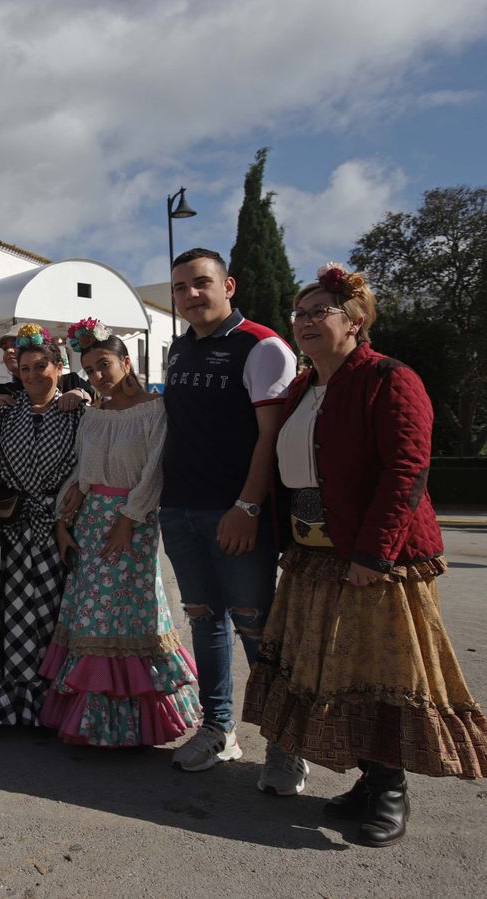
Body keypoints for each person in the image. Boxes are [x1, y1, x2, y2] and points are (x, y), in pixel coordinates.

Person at [243, 264, 487, 847]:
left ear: (356, 321)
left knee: (381, 673)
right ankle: (367, 781)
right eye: (300, 314)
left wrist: (374, 553)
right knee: (335, 672)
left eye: (319, 313)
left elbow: (406, 471)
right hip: (314, 556)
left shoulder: (390, 378)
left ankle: (390, 788)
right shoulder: (301, 388)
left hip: (372, 558)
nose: (305, 322)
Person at [161, 248, 305, 792]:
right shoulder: (180, 348)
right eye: (180, 288)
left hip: (237, 513)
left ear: (229, 285)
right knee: (204, 619)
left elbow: (272, 438)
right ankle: (218, 727)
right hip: (179, 509)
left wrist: (246, 508)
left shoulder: (262, 346)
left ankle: (284, 744)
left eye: (201, 283)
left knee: (256, 627)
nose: (191, 295)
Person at [39, 321, 201, 747]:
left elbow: (154, 473)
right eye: (89, 369)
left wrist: (128, 520)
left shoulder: (154, 409)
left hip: (134, 521)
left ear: (126, 361)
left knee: (129, 611)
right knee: (90, 614)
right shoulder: (93, 414)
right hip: (91, 522)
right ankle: (94, 722)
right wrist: (63, 516)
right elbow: (82, 472)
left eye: (103, 365)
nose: (96, 376)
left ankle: (134, 722)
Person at [0, 325, 83, 726]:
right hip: (16, 529)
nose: (34, 374)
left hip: (61, 524)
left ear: (59, 367)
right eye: (26, 368)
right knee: (16, 615)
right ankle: (17, 706)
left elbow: (85, 472)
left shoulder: (78, 411)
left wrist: (66, 518)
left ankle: (53, 707)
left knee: (55, 616)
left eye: (42, 366)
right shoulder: (7, 413)